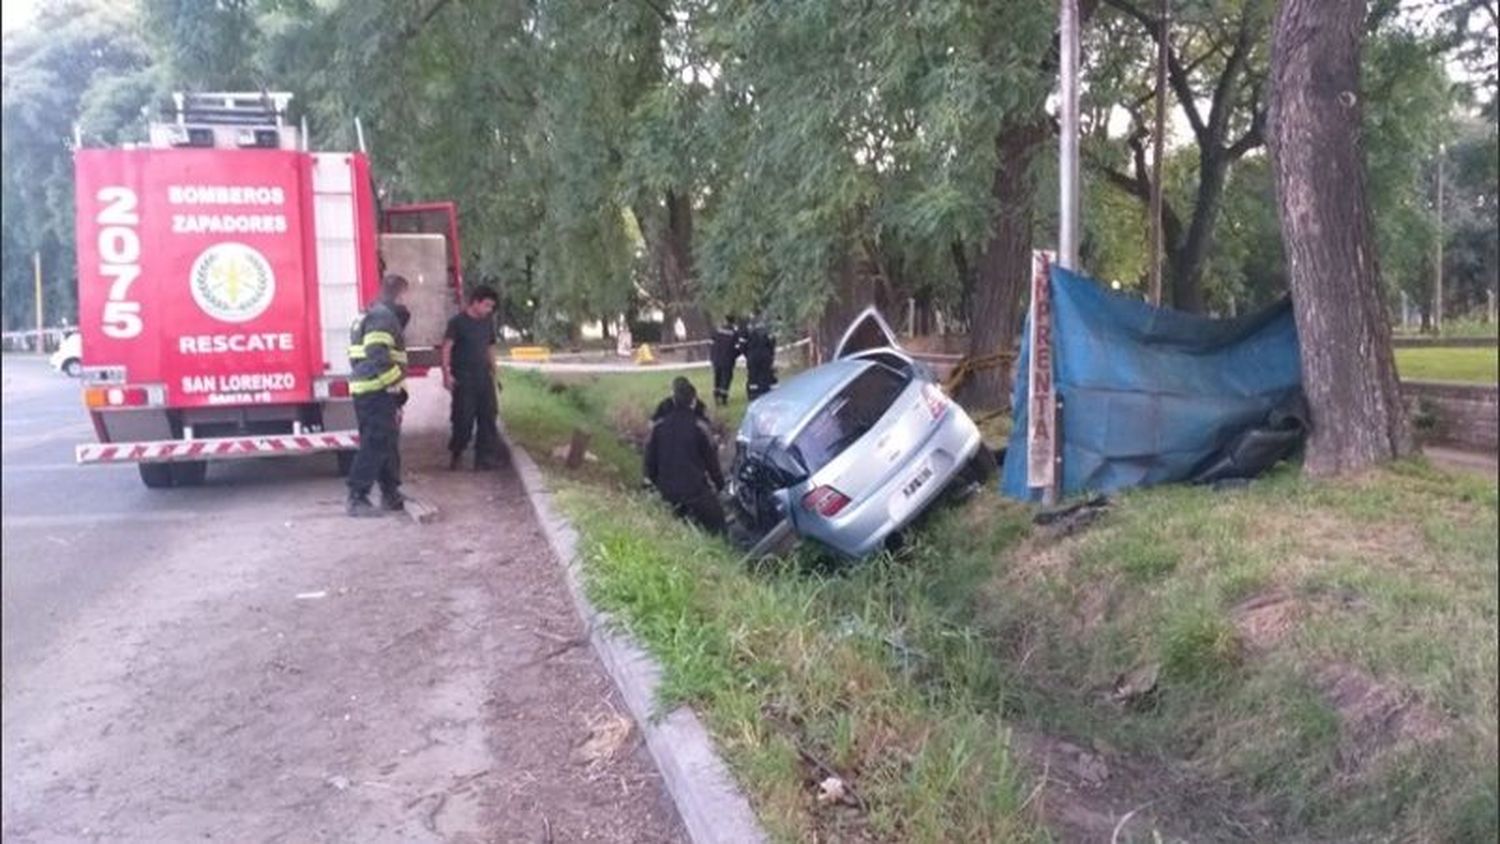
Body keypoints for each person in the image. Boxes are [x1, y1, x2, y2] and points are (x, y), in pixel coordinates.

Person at [346, 273, 411, 517]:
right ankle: (357, 496)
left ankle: (390, 492)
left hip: (371, 389)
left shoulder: (370, 314)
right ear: (400, 292)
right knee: (376, 442)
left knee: (386, 442)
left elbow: (356, 356)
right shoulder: (383, 318)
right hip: (377, 389)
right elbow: (377, 354)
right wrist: (394, 385)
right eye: (406, 295)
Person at [644, 378, 727, 535]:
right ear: (693, 401)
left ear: (673, 399)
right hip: (695, 491)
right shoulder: (699, 427)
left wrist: (653, 484)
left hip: (667, 491)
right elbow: (712, 462)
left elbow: (650, 460)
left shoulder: (659, 426)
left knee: (674, 522)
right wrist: (720, 485)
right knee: (718, 523)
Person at [442, 285, 504, 470]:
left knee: (488, 416)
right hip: (464, 378)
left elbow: (490, 347)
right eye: (486, 305)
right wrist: (446, 373)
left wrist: (495, 372)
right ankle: (457, 451)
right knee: (464, 418)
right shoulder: (457, 322)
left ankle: (483, 458)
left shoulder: (487, 322)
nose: (489, 310)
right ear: (475, 302)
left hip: (483, 376)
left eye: (491, 307)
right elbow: (447, 347)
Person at [709, 316, 744, 406]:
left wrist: (713, 356)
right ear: (733, 322)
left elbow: (711, 344)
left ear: (725, 321)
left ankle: (716, 396)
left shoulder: (717, 331)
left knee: (717, 376)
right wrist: (734, 356)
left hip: (716, 359)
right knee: (726, 378)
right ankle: (724, 398)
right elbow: (739, 347)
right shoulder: (734, 333)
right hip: (728, 360)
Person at [744, 318, 777, 401]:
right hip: (765, 357)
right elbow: (772, 344)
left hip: (753, 357)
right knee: (765, 375)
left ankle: (753, 394)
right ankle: (765, 391)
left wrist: (748, 355)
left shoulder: (750, 334)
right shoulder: (767, 334)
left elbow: (743, 346)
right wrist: (771, 355)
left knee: (753, 376)